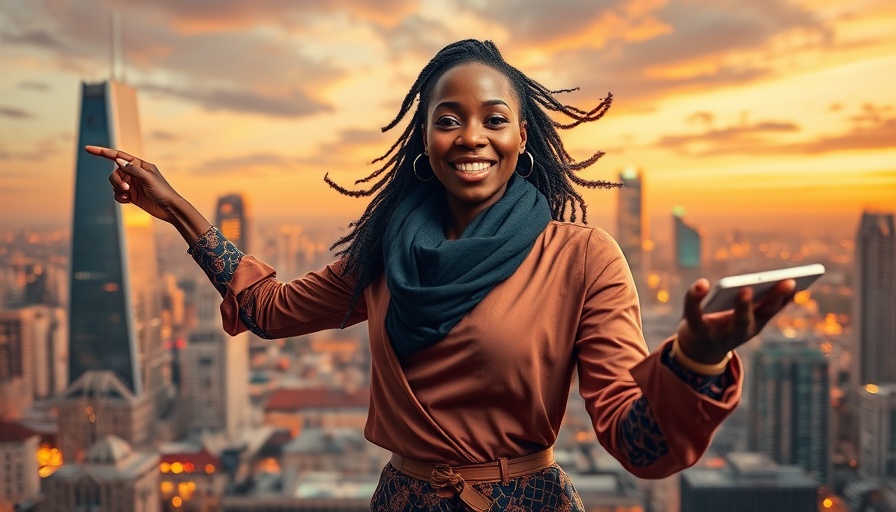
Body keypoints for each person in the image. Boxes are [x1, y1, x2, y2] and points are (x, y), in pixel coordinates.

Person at [87, 39, 795, 512]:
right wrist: (175, 208)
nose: (472, 136)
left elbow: (638, 443)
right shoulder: (386, 254)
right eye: (449, 119)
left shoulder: (582, 257)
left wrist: (697, 360)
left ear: (522, 136)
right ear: (424, 138)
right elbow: (267, 310)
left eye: (494, 119)